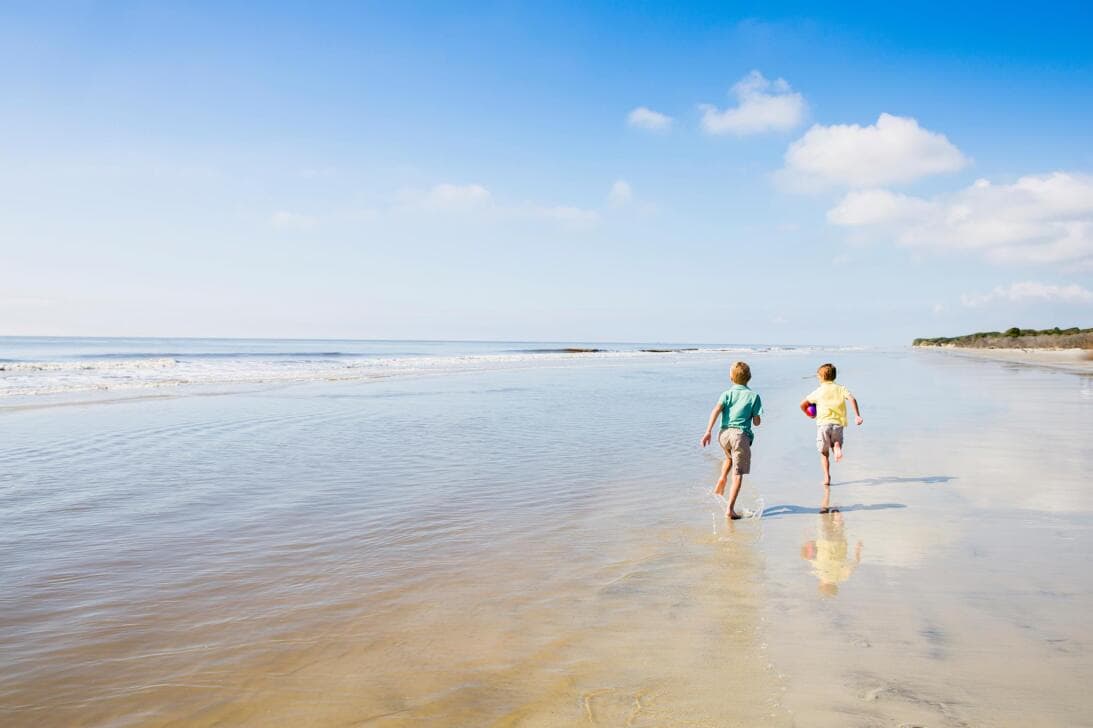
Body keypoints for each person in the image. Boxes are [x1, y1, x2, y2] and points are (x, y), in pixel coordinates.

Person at [701, 361, 763, 520]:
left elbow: (716, 410)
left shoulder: (726, 394)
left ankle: (722, 478)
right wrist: (755, 416)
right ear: (749, 377)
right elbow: (757, 422)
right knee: (738, 474)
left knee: (729, 457)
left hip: (723, 435)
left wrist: (708, 431)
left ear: (731, 378)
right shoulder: (754, 396)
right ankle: (730, 509)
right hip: (740, 436)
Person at [800, 363, 863, 513]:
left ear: (820, 377)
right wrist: (857, 415)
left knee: (824, 453)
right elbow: (852, 399)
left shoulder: (818, 391)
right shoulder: (840, 388)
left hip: (823, 425)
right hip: (838, 424)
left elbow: (803, 404)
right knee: (836, 443)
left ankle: (827, 477)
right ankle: (837, 446)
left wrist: (811, 414)